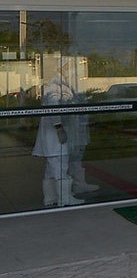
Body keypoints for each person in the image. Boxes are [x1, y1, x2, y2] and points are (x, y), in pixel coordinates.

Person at [32, 57, 97, 207]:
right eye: (70, 68)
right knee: (60, 167)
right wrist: (58, 127)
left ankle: (51, 198)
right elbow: (53, 109)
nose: (74, 71)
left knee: (51, 169)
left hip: (57, 134)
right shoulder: (55, 87)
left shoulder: (63, 85)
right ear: (63, 69)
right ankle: (64, 199)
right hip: (56, 135)